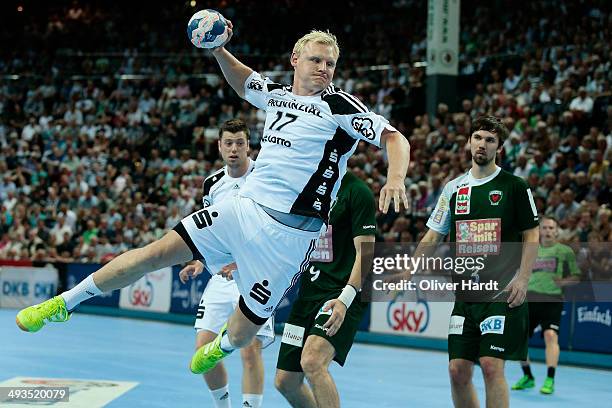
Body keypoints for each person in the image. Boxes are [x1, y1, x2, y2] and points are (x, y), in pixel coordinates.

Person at [16, 27, 410, 379]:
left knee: (241, 335)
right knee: (154, 253)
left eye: (330, 63)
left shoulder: (339, 106)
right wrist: (219, 49)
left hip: (287, 241)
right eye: (315, 59)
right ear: (295, 59)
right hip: (242, 210)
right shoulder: (275, 96)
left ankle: (220, 345)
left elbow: (394, 138)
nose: (324, 68)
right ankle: (64, 303)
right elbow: (245, 84)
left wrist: (394, 177)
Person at [414, 116, 540, 408]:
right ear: (469, 141)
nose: (483, 144)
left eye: (490, 140)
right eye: (478, 137)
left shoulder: (514, 186)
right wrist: (409, 267)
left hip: (501, 293)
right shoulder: (453, 189)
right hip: (466, 297)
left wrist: (523, 278)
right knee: (457, 370)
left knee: (491, 365)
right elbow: (433, 235)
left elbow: (531, 233)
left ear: (500, 147)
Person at [178, 119, 273, 408]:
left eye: (240, 143)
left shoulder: (264, 177)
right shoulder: (213, 184)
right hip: (220, 278)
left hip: (257, 276)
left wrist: (243, 262)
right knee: (203, 352)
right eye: (228, 143)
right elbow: (211, 232)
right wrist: (198, 260)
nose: (234, 149)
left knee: (249, 348)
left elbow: (273, 228)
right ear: (220, 147)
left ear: (248, 146)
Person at [274, 171, 376, 408]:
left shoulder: (357, 191)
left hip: (340, 294)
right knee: (285, 381)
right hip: (308, 294)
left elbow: (367, 253)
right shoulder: (304, 187)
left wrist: (345, 299)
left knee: (312, 361)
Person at [512, 216, 580, 395]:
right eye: (545, 228)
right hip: (530, 299)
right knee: (519, 340)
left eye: (551, 228)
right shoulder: (530, 250)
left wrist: (563, 282)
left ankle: (550, 379)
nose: (548, 231)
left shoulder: (564, 251)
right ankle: (528, 376)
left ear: (556, 231)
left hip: (552, 300)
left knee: (551, 336)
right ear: (539, 231)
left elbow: (576, 276)